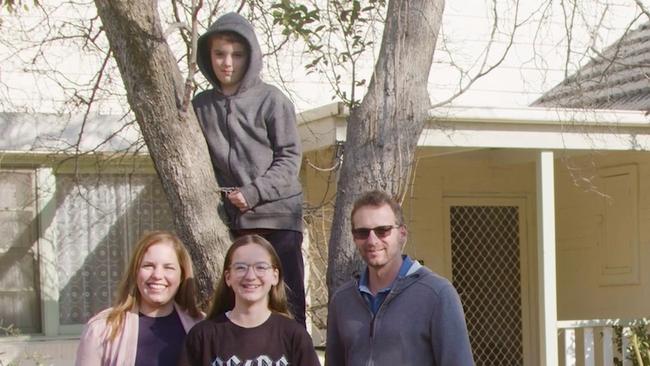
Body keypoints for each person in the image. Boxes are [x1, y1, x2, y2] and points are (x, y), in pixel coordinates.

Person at [194, 11, 306, 326]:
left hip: (278, 220)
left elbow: (289, 158)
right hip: (232, 225)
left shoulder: (272, 100)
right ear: (209, 56)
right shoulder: (201, 106)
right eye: (219, 54)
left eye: (237, 54)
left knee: (287, 312)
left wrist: (254, 193)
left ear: (251, 57)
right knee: (237, 313)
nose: (227, 62)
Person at [325, 190, 475, 366]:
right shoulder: (343, 300)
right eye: (362, 232)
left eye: (382, 230)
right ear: (354, 237)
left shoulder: (437, 295)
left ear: (402, 233)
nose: (372, 241)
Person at [179, 234, 320, 365]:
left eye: (261, 267)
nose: (250, 276)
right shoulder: (203, 337)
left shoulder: (294, 336)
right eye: (241, 267)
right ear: (228, 277)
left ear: (275, 276)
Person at [75, 231, 204, 366]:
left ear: (182, 275)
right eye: (148, 266)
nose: (157, 275)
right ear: (135, 272)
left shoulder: (201, 327)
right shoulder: (102, 330)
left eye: (168, 267)